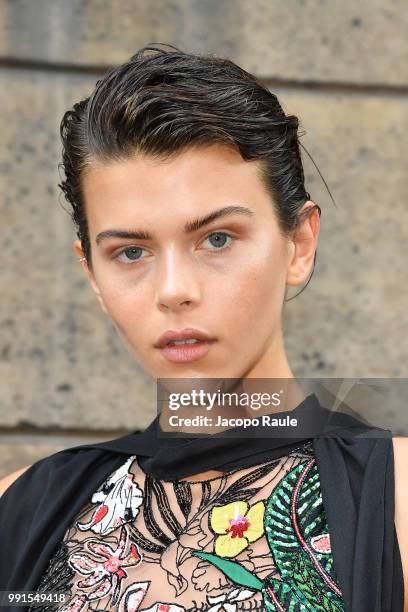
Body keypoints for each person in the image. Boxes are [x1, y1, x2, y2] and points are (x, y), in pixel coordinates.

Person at [0, 43, 407, 612]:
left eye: (217, 239)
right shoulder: (22, 510)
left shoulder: (396, 501)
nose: (173, 290)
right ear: (91, 270)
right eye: (131, 252)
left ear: (300, 243)